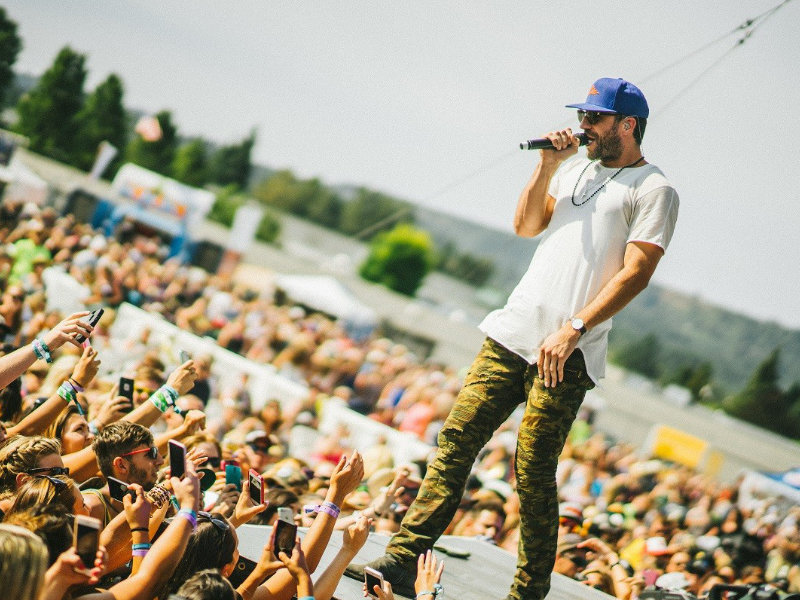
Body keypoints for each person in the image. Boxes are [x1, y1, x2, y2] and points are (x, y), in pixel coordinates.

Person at [346, 77, 679, 600]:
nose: (584, 126)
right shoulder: (574, 167)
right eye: (584, 117)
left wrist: (575, 328)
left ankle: (528, 591)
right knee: (456, 441)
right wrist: (546, 166)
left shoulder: (653, 188)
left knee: (532, 469)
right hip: (514, 332)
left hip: (567, 352)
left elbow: (636, 272)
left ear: (627, 125)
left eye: (595, 118)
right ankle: (404, 557)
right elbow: (527, 226)